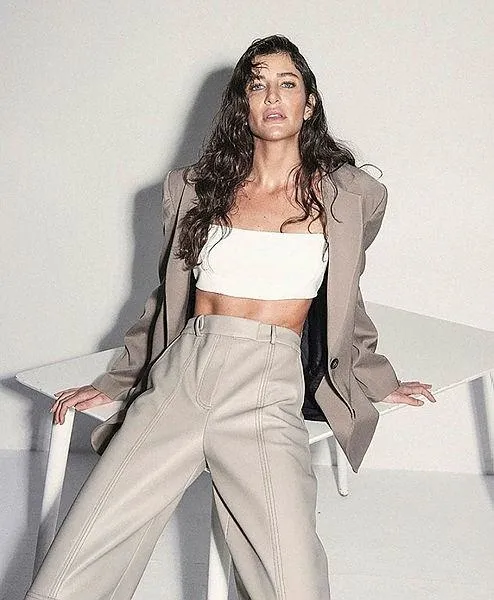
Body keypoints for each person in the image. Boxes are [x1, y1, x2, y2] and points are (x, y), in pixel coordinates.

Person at [26, 34, 436, 600]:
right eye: (257, 85)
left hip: (267, 389)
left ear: (309, 103)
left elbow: (346, 297)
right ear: (242, 104)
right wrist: (118, 381)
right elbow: (165, 301)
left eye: (287, 84)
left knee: (294, 584)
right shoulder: (195, 189)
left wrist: (376, 378)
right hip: (181, 379)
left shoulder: (350, 196)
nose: (273, 97)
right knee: (72, 566)